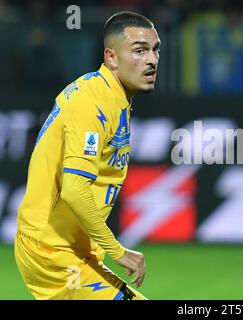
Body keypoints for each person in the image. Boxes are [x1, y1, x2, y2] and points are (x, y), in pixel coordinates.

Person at [14, 11, 160, 300]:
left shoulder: (113, 98)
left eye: (156, 50)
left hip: (74, 250)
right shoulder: (91, 102)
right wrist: (118, 251)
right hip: (52, 253)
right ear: (111, 57)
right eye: (140, 51)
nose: (152, 60)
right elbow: (74, 189)